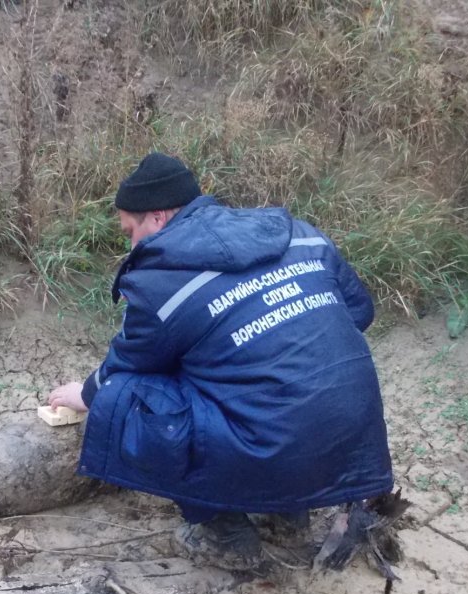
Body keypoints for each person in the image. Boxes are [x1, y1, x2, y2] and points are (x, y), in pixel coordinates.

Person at [48, 152, 393, 570]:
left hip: (281, 448)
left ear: (157, 218)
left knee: (128, 398)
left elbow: (128, 365)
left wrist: (85, 394)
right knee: (271, 384)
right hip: (353, 440)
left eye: (130, 231)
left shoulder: (162, 281)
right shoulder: (301, 236)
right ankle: (289, 513)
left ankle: (223, 531)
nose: (131, 245)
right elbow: (359, 314)